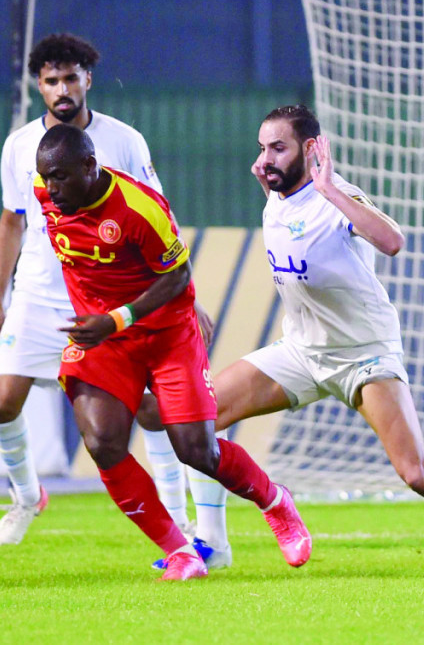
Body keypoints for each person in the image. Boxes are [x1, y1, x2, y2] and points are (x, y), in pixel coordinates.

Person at [172, 105, 424, 574]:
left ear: (310, 149)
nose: (265, 160)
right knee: (198, 417)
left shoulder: (337, 196)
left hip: (364, 357)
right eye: (262, 148)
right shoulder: (276, 195)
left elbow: (393, 241)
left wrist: (329, 189)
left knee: (417, 474)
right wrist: (272, 179)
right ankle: (212, 542)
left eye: (278, 148)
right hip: (301, 352)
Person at [33, 123, 311, 580]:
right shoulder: (46, 192)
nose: (52, 188)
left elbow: (178, 276)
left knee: (197, 451)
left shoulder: (139, 208)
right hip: (105, 339)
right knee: (102, 441)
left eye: (60, 177)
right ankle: (180, 552)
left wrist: (117, 317)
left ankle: (275, 501)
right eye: (46, 178)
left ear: (90, 166)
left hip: (166, 334)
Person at [0, 33, 206, 547]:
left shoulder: (123, 141)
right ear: (38, 86)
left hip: (111, 299)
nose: (62, 88)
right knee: (2, 401)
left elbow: (160, 221)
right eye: (51, 80)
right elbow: (12, 221)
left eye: (71, 77)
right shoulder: (19, 146)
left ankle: (179, 519)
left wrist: (186, 299)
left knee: (149, 410)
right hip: (39, 295)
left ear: (88, 79)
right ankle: (27, 497)